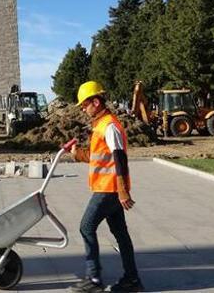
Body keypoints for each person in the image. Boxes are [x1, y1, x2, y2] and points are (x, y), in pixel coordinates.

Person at [69, 81, 143, 293]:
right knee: (121, 233)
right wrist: (77, 154)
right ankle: (132, 279)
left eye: (84, 105)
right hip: (107, 188)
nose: (83, 109)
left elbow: (119, 158)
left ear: (96, 101)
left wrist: (122, 190)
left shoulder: (110, 125)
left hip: (109, 190)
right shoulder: (100, 126)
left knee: (86, 227)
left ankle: (93, 279)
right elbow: (98, 157)